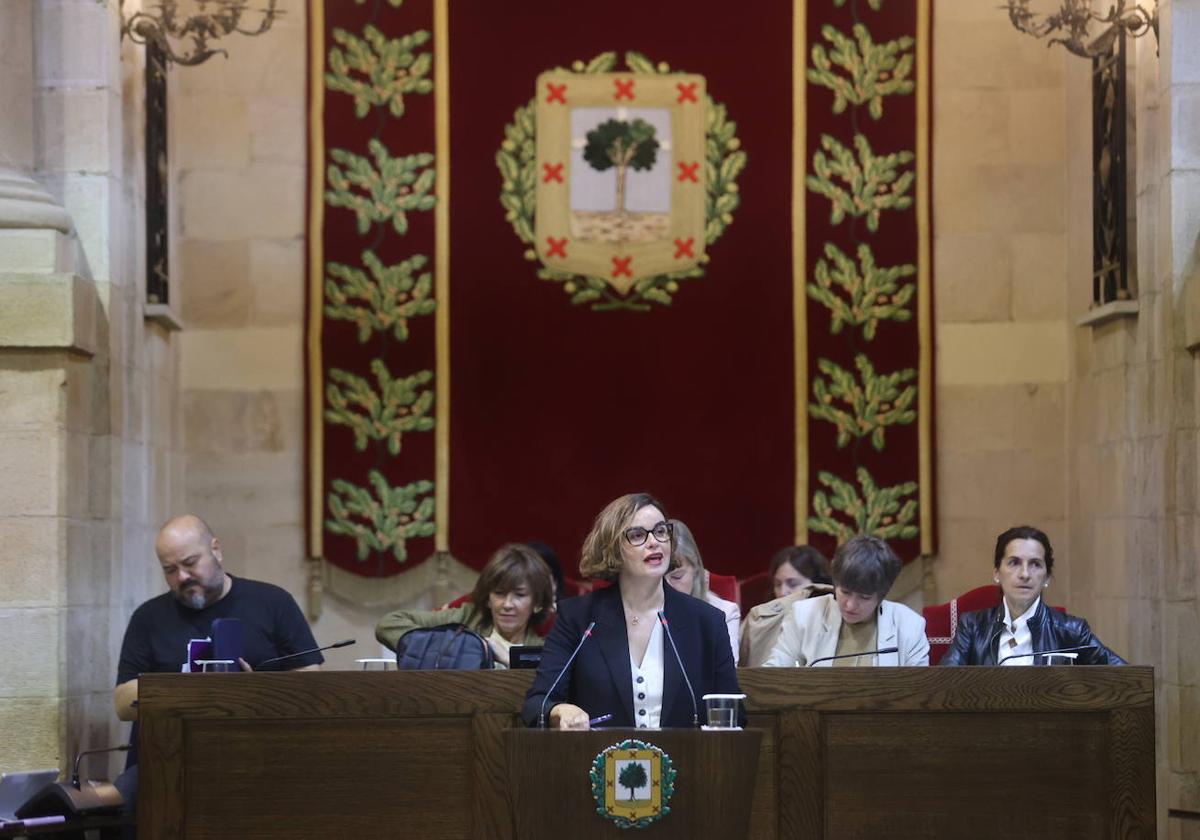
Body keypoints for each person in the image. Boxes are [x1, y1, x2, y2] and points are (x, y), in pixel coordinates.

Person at [113, 515, 323, 834]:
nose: (182, 576)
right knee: (122, 803)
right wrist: (184, 692)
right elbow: (122, 702)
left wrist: (250, 693)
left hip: (260, 756)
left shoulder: (272, 602)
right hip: (167, 760)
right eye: (170, 570)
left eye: (190, 562)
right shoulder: (148, 618)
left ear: (216, 550)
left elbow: (312, 682)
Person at [522, 493, 741, 729]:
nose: (654, 542)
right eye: (637, 535)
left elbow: (734, 712)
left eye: (660, 531)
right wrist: (559, 710)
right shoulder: (578, 618)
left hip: (686, 762)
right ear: (612, 550)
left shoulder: (707, 622)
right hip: (599, 761)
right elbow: (537, 703)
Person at [940, 526, 1126, 666]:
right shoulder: (972, 627)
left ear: (1046, 577)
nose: (1025, 574)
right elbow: (943, 684)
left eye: (1035, 564)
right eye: (1014, 563)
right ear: (997, 573)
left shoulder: (1071, 630)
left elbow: (1127, 678)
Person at [376, 543, 555, 668]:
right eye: (499, 593)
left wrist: (509, 660)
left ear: (537, 603)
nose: (507, 604)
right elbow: (389, 624)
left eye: (519, 595)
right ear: (487, 598)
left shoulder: (547, 643)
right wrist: (469, 647)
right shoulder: (467, 617)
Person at [763, 534, 928, 667]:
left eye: (864, 597)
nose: (850, 605)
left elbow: (919, 693)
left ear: (881, 595)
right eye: (845, 592)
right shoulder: (804, 614)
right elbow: (774, 677)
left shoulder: (909, 625)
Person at [665, 519, 740, 665]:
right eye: (657, 579)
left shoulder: (724, 612)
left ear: (697, 571)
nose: (667, 586)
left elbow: (726, 677)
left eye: (677, 577)